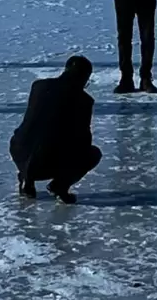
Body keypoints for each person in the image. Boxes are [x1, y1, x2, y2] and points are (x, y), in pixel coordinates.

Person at [9, 55, 102, 204]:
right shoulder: (84, 101)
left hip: (19, 152)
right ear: (84, 79)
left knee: (34, 136)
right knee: (93, 154)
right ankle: (59, 186)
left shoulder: (38, 86)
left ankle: (28, 180)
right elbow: (84, 142)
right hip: (46, 164)